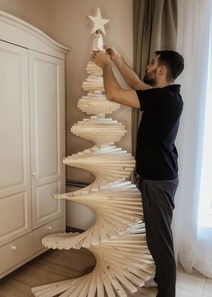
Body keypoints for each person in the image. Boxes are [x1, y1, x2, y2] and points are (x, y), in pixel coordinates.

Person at [91, 47, 184, 297]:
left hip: (159, 180)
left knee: (160, 240)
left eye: (152, 63)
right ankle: (162, 280)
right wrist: (117, 58)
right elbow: (135, 83)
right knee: (157, 237)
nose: (148, 66)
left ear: (162, 70)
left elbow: (113, 93)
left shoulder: (162, 98)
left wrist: (105, 66)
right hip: (160, 178)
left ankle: (167, 293)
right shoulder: (168, 95)